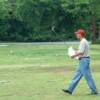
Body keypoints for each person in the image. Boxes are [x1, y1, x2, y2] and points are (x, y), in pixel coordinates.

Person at [63, 29, 98, 95]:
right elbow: (81, 51)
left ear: (80, 34)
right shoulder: (83, 41)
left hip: (84, 61)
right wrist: (73, 50)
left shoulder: (83, 41)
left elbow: (81, 52)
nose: (76, 35)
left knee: (88, 77)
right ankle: (69, 89)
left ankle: (94, 91)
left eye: (77, 34)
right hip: (83, 60)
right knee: (77, 75)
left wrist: (73, 55)